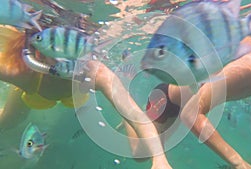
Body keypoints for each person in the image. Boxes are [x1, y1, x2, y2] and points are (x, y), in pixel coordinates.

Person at [0, 25, 172, 169]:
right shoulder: (22, 71)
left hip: (75, 96)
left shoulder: (93, 71)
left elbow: (134, 113)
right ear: (40, 52)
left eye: (74, 54)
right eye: (56, 52)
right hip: (35, 91)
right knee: (8, 121)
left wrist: (160, 159)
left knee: (139, 150)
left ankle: (126, 96)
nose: (66, 60)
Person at [125, 36, 251, 169]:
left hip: (186, 108)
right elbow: (191, 114)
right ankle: (128, 109)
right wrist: (237, 162)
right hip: (166, 101)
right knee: (141, 154)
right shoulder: (249, 69)